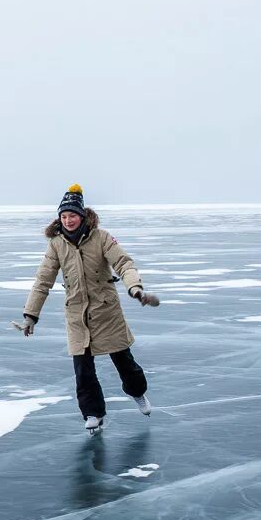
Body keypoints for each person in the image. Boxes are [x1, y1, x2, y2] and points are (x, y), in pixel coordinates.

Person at [18, 184, 160, 434]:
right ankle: (93, 413)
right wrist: (31, 316)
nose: (68, 220)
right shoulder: (56, 245)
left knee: (126, 364)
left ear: (82, 216)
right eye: (63, 216)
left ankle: (138, 393)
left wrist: (135, 288)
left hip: (106, 312)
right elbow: (43, 280)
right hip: (76, 314)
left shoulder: (102, 237)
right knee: (83, 371)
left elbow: (123, 263)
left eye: (72, 215)